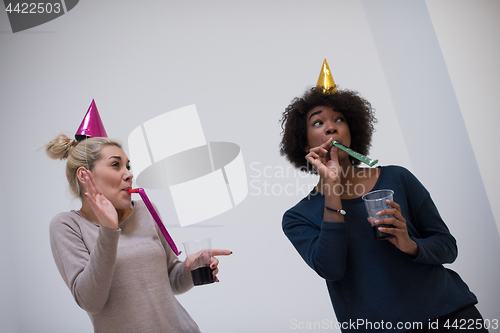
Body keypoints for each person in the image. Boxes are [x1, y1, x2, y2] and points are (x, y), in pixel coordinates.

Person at [279, 82, 488, 332]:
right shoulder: (298, 217)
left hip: (451, 316)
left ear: (352, 131)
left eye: (339, 119)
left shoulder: (398, 178)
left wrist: (409, 244)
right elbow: (332, 269)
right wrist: (332, 188)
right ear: (304, 145)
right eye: (318, 122)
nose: (331, 127)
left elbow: (447, 248)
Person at [46, 133, 231, 333]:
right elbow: (91, 301)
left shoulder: (145, 210)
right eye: (116, 165)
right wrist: (108, 230)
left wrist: (190, 269)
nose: (129, 174)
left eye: (128, 166)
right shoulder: (67, 225)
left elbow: (171, 281)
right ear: (84, 176)